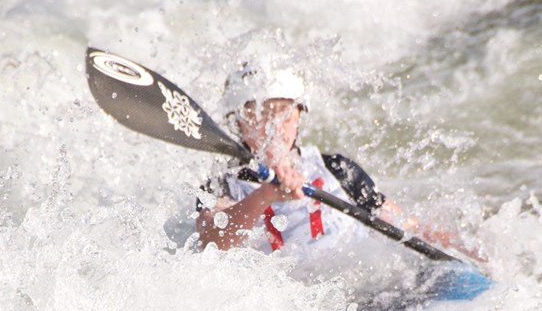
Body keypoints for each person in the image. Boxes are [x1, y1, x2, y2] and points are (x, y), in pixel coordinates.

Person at [195, 60, 481, 269]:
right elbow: (210, 243)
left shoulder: (336, 169)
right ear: (239, 124)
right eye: (259, 116)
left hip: (358, 293)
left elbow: (405, 224)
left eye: (285, 115)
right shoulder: (222, 183)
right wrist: (263, 196)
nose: (274, 127)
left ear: (299, 118)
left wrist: (473, 253)